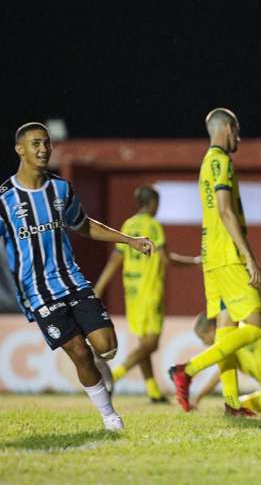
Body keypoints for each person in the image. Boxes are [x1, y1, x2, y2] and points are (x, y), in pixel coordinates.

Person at [0, 122, 154, 431]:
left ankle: (100, 366)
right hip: (37, 291)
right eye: (35, 144)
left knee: (106, 347)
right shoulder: (4, 199)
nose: (43, 149)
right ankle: (110, 416)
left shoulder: (60, 189)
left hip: (71, 280)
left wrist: (129, 240)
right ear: (20, 149)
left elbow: (82, 224)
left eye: (47, 143)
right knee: (80, 352)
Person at [168, 108, 261, 417]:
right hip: (227, 256)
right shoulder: (221, 162)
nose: (239, 136)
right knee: (256, 327)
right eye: (237, 130)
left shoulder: (206, 163)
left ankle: (232, 404)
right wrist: (249, 256)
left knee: (226, 331)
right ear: (227, 128)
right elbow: (225, 210)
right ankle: (187, 370)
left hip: (211, 255)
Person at [93, 185, 200, 403]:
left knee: (144, 346)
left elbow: (116, 258)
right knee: (151, 345)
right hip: (150, 291)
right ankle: (114, 376)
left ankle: (153, 391)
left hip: (131, 292)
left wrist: (99, 287)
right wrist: (194, 263)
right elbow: (166, 259)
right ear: (153, 203)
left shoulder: (128, 224)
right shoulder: (153, 226)